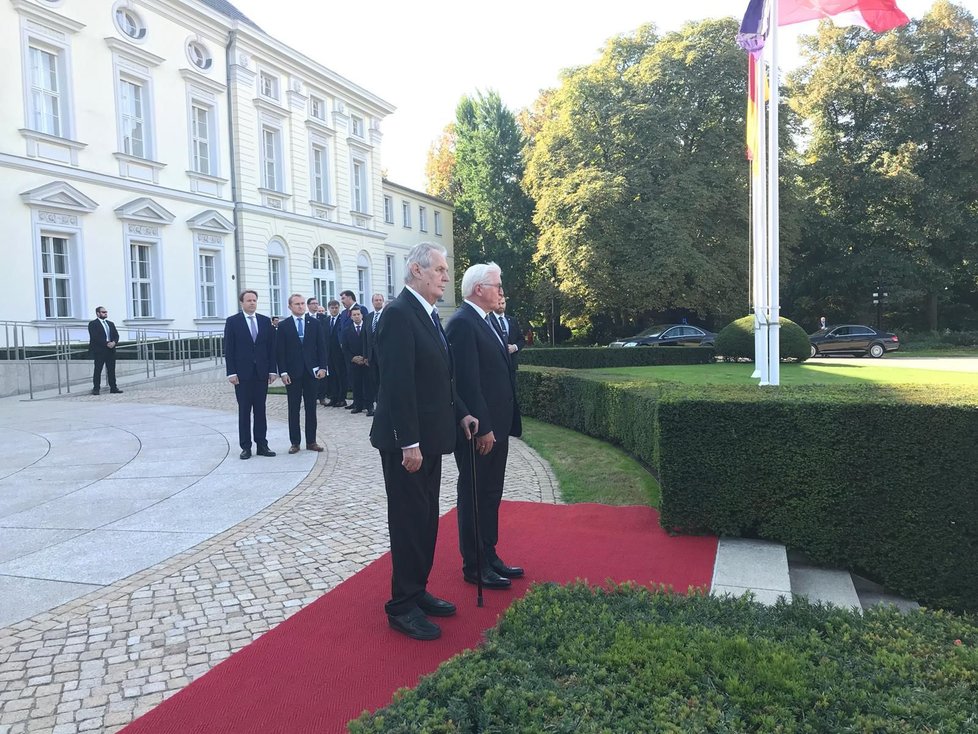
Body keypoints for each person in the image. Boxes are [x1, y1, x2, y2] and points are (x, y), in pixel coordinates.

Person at [370, 242, 476, 641]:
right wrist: (408, 442)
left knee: (426, 518)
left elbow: (440, 380)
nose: (446, 277)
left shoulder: (428, 315)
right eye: (440, 270)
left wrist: (461, 411)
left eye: (445, 271)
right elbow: (397, 384)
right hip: (408, 445)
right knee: (409, 521)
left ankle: (417, 591)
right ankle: (401, 606)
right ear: (416, 271)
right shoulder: (399, 314)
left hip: (431, 437)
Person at [446, 262, 523, 591]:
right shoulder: (463, 323)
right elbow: (466, 382)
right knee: (475, 494)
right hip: (480, 429)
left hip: (498, 425)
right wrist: (485, 427)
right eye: (496, 285)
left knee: (491, 493)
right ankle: (474, 564)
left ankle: (489, 553)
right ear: (479, 289)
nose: (501, 290)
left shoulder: (488, 321)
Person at [224, 289, 278, 459]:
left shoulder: (264, 321)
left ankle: (262, 445)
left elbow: (270, 348)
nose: (252, 303)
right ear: (242, 303)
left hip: (261, 373)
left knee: (260, 411)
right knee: (244, 411)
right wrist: (231, 372)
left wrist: (271, 370)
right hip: (242, 374)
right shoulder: (233, 322)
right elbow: (229, 349)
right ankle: (246, 447)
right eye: (249, 300)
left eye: (254, 300)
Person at [276, 294, 327, 454]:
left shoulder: (315, 323)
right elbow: (280, 351)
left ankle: (311, 441)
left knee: (311, 408)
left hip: (311, 372)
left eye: (302, 303)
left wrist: (323, 367)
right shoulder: (284, 326)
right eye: (297, 304)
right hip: (293, 373)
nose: (301, 306)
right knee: (293, 408)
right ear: (290, 306)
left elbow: (322, 347)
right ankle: (295, 442)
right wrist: (283, 372)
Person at [340, 307, 371, 415]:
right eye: (354, 315)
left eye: (358, 314)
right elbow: (345, 347)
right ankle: (358, 405)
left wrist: (366, 357)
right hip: (354, 362)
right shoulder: (346, 330)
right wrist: (353, 358)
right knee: (356, 384)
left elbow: (370, 344)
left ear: (362, 315)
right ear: (351, 316)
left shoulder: (368, 328)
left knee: (368, 384)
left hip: (366, 361)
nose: (357, 316)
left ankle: (369, 406)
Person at [88, 306, 122, 395]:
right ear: (98, 313)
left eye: (106, 312)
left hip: (111, 350)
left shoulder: (110, 323)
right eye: (103, 312)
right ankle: (96, 388)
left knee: (111, 369)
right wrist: (107, 343)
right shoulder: (93, 324)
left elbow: (116, 335)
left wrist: (114, 342)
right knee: (98, 369)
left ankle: (113, 387)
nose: (105, 313)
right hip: (100, 350)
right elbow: (95, 337)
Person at [307, 297, 330, 407]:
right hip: (309, 351)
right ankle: (312, 396)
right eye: (313, 303)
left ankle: (322, 396)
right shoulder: (305, 318)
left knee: (323, 373)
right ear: (308, 305)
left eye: (317, 303)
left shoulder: (323, 318)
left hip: (321, 349)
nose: (315, 305)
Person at [492, 295, 525, 373]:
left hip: (511, 364)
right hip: (495, 365)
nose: (501, 306)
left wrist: (515, 347)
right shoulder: (488, 321)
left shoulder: (513, 320)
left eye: (503, 303)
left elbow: (521, 340)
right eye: (498, 303)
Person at [324, 300, 347, 407]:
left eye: (336, 308)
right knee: (332, 375)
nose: (334, 310)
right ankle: (334, 397)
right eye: (332, 308)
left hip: (339, 352)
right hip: (329, 352)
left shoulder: (342, 320)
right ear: (329, 308)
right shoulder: (325, 321)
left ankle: (342, 398)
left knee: (341, 375)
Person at [364, 293, 385, 411]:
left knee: (383, 380)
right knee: (373, 380)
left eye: (380, 300)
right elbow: (365, 337)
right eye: (376, 300)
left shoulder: (387, 315)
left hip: (382, 354)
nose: (378, 302)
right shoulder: (368, 317)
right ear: (372, 302)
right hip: (371, 355)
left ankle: (382, 404)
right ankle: (373, 404)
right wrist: (365, 355)